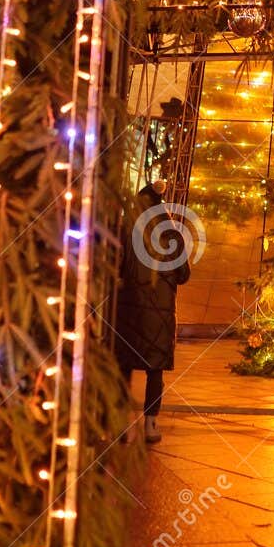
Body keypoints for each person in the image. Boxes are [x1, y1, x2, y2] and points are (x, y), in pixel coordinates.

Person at [114, 184, 191, 444]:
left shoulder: (125, 230)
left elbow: (116, 267)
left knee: (125, 367)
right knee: (154, 369)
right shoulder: (171, 233)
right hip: (161, 314)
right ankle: (150, 424)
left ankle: (123, 423)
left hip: (128, 310)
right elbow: (184, 275)